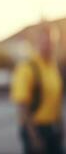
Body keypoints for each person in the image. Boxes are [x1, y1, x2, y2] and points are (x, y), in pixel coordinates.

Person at [11, 24, 64, 154]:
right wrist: (34, 138)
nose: (48, 46)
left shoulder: (53, 66)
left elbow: (56, 100)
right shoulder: (27, 67)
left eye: (52, 42)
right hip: (36, 130)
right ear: (37, 42)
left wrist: (61, 127)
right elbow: (22, 106)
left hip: (54, 129)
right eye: (45, 41)